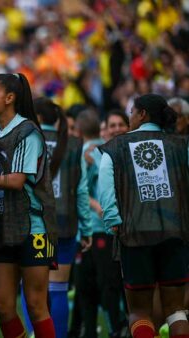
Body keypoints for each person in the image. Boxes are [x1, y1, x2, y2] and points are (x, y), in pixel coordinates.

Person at [98, 93, 189, 338]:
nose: (129, 117)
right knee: (176, 310)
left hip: (135, 236)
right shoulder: (181, 145)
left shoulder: (115, 146)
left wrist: (113, 222)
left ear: (142, 114)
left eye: (131, 112)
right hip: (175, 234)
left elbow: (106, 188)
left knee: (139, 312)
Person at [0, 73, 57, 338]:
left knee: (35, 305)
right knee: (2, 305)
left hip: (31, 228)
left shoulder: (27, 132)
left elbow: (16, 181)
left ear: (10, 98)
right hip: (1, 228)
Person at [34, 97, 92, 338]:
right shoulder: (74, 144)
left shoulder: (27, 140)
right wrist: (86, 228)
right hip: (65, 224)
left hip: (34, 225)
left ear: (37, 118)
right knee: (58, 289)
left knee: (34, 291)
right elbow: (81, 190)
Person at [75, 109, 125, 338]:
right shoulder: (104, 150)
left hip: (95, 228)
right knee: (101, 284)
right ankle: (112, 328)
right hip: (102, 227)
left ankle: (112, 328)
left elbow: (80, 191)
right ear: (100, 128)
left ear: (77, 130)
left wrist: (96, 207)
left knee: (96, 286)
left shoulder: (89, 152)